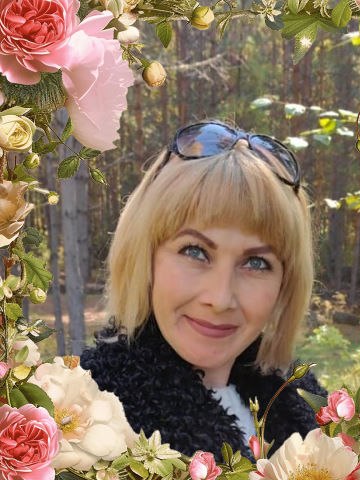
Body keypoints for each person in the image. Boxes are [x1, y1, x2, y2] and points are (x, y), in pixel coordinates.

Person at [80, 121, 327, 460]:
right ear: (144, 256)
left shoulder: (306, 403)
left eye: (256, 263)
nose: (220, 298)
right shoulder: (86, 415)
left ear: (286, 283)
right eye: (195, 252)